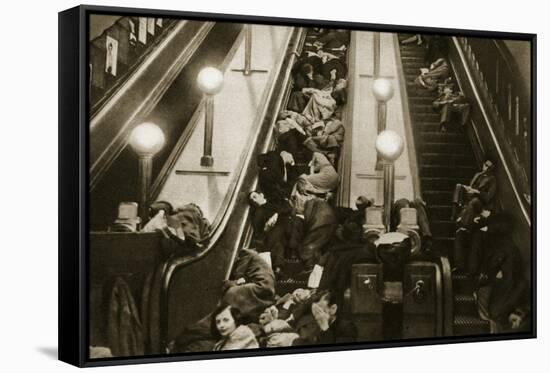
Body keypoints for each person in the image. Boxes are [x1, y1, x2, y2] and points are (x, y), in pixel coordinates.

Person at [248, 191, 294, 274]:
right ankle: (278, 267)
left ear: (261, 195)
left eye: (255, 197)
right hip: (275, 231)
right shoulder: (258, 213)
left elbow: (289, 207)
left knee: (279, 234)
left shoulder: (274, 200)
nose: (254, 200)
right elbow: (259, 232)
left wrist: (276, 214)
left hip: (288, 223)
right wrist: (266, 227)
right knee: (277, 240)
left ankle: (278, 266)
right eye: (252, 200)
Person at [453, 158, 497, 225]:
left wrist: (476, 191)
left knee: (474, 201)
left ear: (492, 169)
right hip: (470, 195)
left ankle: (462, 219)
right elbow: (471, 185)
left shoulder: (492, 180)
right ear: (483, 164)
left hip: (479, 200)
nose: (487, 168)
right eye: (486, 165)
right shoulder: (478, 174)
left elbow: (488, 197)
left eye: (489, 167)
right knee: (458, 186)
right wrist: (468, 188)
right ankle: (455, 211)